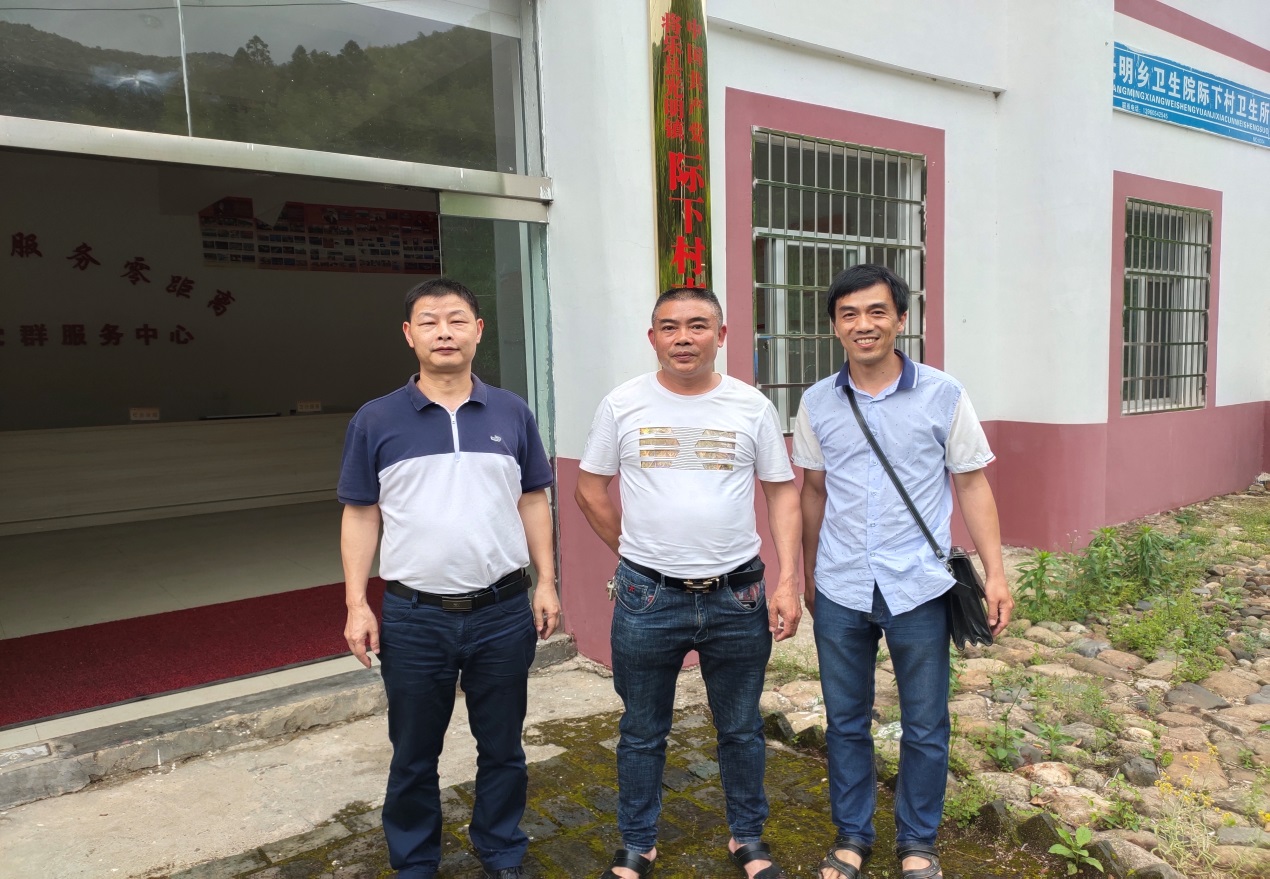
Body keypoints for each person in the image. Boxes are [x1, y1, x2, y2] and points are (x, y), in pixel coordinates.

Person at [575, 287, 802, 879]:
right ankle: (638, 843)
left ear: (721, 336)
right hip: (647, 597)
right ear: (652, 337)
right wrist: (637, 552)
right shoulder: (623, 404)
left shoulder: (750, 406)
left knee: (742, 728)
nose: (683, 338)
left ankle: (747, 837)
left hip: (738, 595)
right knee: (641, 730)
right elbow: (589, 490)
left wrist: (789, 580)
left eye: (698, 325)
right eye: (669, 326)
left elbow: (781, 493)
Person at [794, 264, 1013, 879]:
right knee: (845, 721)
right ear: (835, 326)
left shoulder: (943, 394)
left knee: (925, 723)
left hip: (918, 584)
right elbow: (813, 490)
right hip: (840, 584)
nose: (863, 325)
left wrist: (996, 573)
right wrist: (807, 574)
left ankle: (918, 842)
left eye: (876, 312)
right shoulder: (817, 401)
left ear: (900, 319)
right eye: (849, 314)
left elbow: (971, 483)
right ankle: (852, 836)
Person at [338, 278, 559, 879]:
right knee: (413, 753)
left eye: (457, 320)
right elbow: (361, 513)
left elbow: (533, 499)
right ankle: (415, 862)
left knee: (503, 747)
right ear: (408, 335)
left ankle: (501, 850)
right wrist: (358, 603)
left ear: (477, 331)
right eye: (429, 321)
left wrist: (546, 581)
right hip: (415, 617)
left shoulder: (511, 411)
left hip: (502, 611)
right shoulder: (376, 419)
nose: (444, 332)